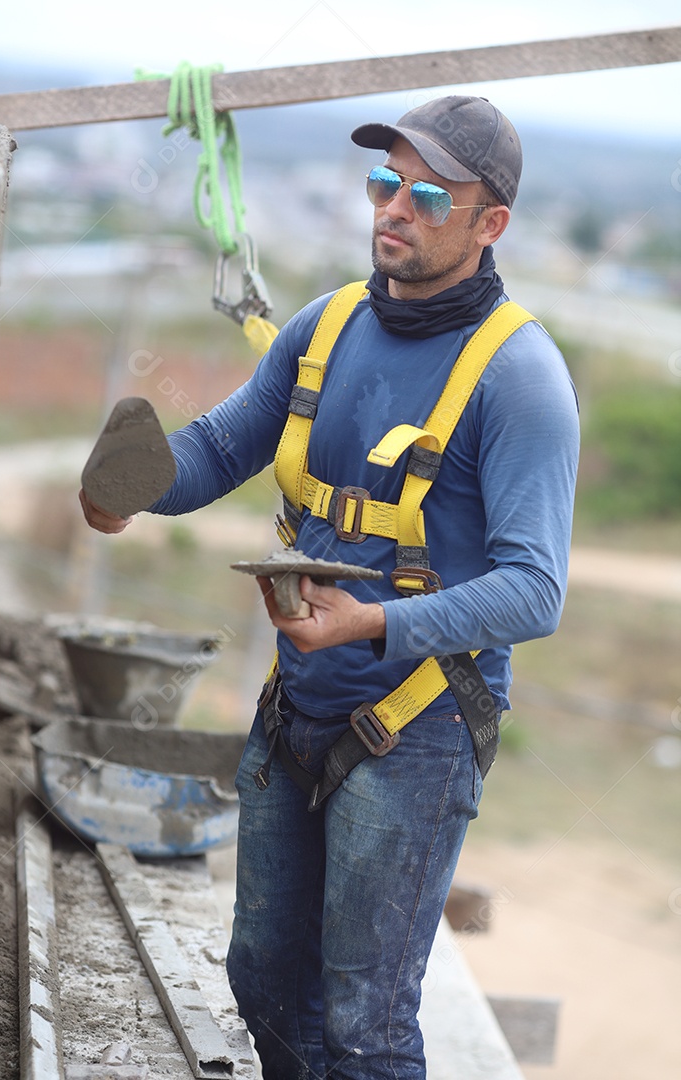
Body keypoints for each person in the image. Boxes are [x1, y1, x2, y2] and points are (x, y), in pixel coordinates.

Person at [81, 95, 580, 1079]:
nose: (394, 207)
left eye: (428, 194)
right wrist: (137, 487)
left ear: (490, 224)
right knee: (263, 978)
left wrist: (374, 624)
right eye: (383, 183)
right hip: (297, 707)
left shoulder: (517, 377)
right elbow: (222, 446)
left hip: (415, 730)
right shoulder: (329, 325)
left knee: (366, 1024)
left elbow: (536, 591)